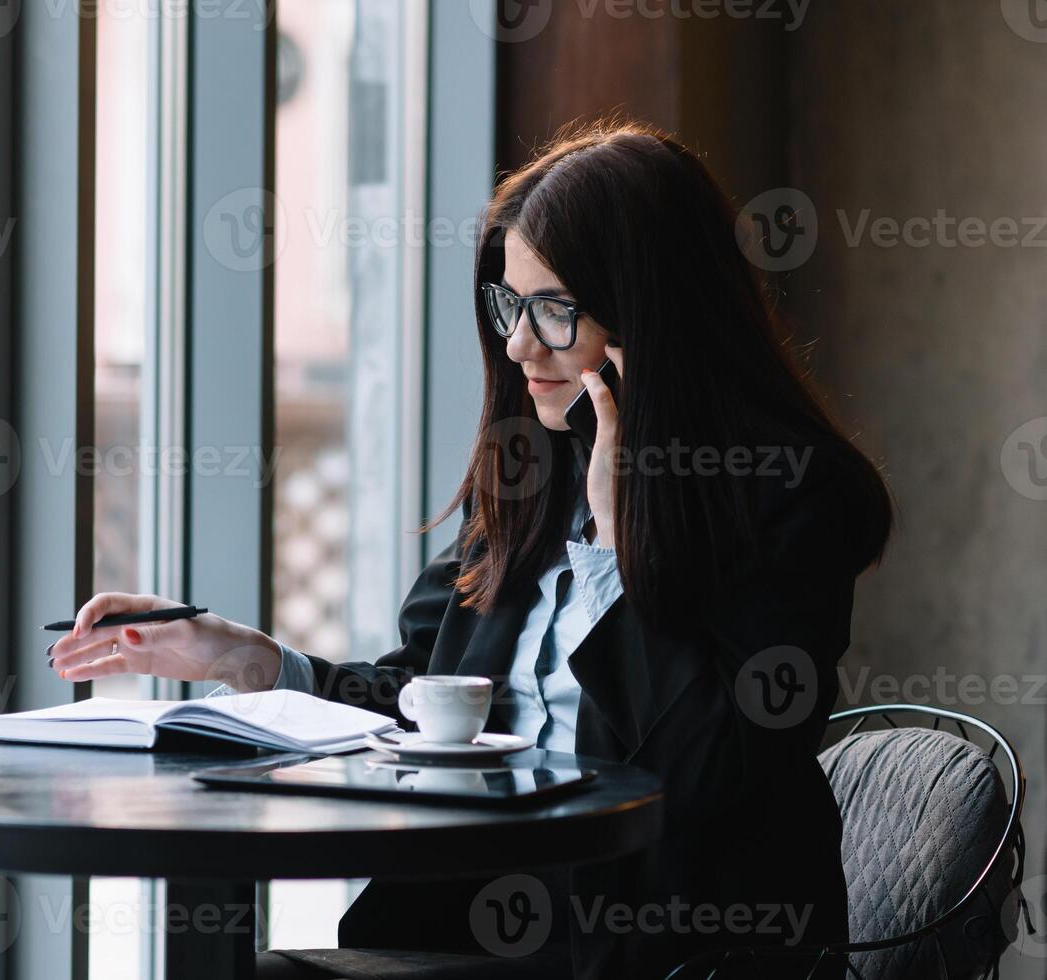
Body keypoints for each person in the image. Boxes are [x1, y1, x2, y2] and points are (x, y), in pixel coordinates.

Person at [47, 119, 893, 979]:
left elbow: (705, 767)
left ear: (655, 315)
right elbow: (428, 707)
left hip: (660, 949)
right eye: (508, 304)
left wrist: (616, 547)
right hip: (469, 922)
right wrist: (259, 664)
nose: (520, 343)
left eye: (556, 310)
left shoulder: (793, 495)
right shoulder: (533, 476)